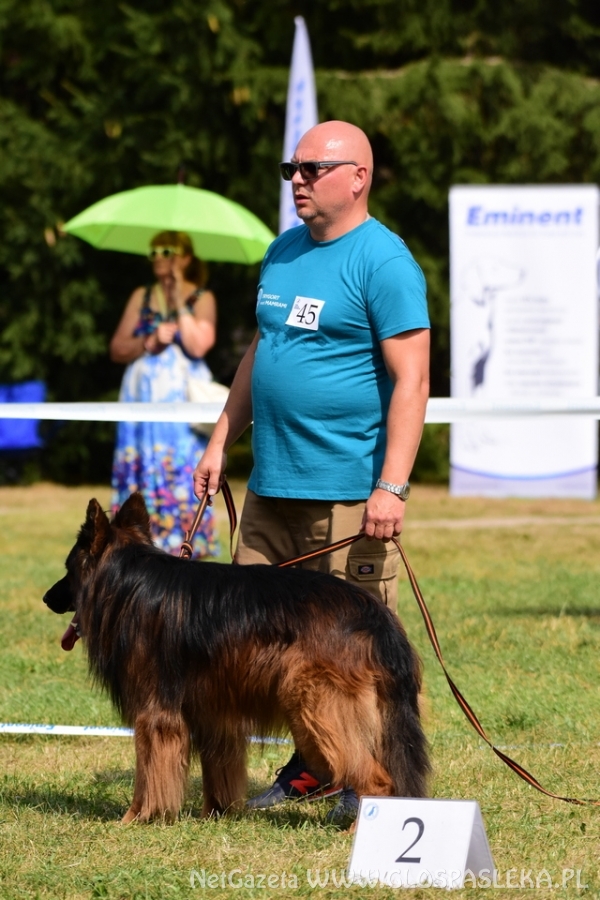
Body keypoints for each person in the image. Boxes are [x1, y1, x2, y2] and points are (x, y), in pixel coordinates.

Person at [193, 121, 430, 824]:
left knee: (356, 653)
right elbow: (261, 351)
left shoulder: (384, 261)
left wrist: (391, 486)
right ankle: (312, 769)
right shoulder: (283, 250)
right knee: (255, 644)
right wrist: (221, 438)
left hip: (349, 497)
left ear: (357, 177)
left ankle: (377, 791)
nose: (296, 179)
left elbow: (413, 380)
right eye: (290, 168)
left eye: (311, 168)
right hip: (270, 491)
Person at [110, 230, 219, 557]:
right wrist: (149, 341)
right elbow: (117, 348)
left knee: (183, 469)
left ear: (185, 258)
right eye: (154, 252)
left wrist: (178, 301)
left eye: (167, 251)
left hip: (182, 406)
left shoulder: (202, 298)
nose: (159, 258)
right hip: (142, 400)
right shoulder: (141, 296)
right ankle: (137, 547)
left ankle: (185, 547)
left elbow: (199, 346)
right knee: (142, 469)